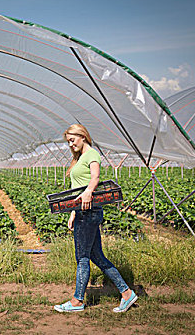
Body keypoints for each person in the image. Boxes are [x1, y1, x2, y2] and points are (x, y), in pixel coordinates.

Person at [53, 124, 137, 313]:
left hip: (89, 212)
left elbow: (95, 177)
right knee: (96, 256)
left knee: (82, 257)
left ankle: (77, 301)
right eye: (68, 142)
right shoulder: (80, 157)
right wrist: (73, 212)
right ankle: (126, 293)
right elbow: (77, 188)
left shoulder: (91, 154)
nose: (70, 144)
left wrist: (90, 191)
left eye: (72, 140)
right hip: (82, 211)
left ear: (82, 136)